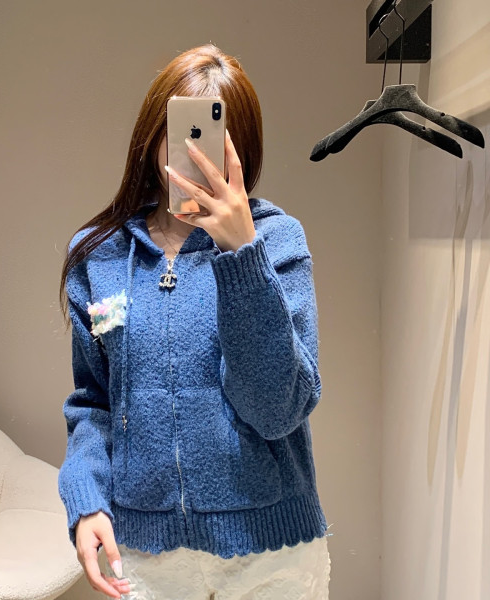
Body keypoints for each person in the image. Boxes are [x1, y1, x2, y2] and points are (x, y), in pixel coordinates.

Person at [57, 43, 332, 600]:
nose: (194, 151)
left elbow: (279, 410)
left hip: (270, 555)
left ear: (241, 146)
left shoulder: (276, 241)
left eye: (211, 133)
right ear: (152, 137)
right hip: (146, 557)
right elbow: (93, 402)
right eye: (180, 131)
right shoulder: (100, 254)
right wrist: (85, 498)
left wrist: (242, 254)